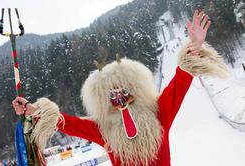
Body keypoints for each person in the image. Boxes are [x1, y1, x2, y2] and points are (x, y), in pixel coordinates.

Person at [12, 10, 227, 166]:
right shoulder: (104, 130)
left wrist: (195, 46)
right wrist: (33, 110)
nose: (119, 97)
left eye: (123, 90)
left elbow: (179, 83)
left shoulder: (158, 114)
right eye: (111, 94)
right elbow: (68, 123)